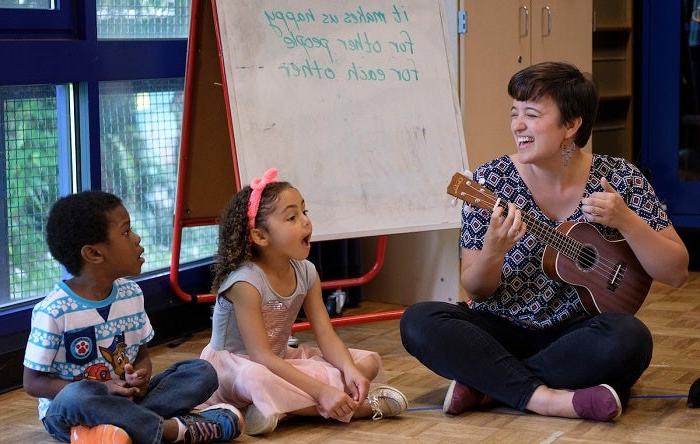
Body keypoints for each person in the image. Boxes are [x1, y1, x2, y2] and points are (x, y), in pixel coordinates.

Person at [400, 62, 690, 422]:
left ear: (571, 125)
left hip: (578, 334)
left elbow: (676, 271)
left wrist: (626, 221)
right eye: (514, 113)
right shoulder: (491, 181)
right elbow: (476, 286)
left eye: (532, 114)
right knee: (418, 320)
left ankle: (489, 383)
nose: (517, 126)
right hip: (501, 328)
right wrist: (493, 249)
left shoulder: (619, 178)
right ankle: (548, 399)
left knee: (631, 338)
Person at [198, 168, 407, 435]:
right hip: (236, 368)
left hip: (280, 359)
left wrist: (349, 370)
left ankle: (276, 410)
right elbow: (259, 356)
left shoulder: (306, 271)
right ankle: (358, 409)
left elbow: (326, 335)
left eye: (304, 213)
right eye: (292, 217)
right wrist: (322, 391)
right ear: (260, 236)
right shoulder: (245, 283)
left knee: (368, 362)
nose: (306, 222)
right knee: (258, 378)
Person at [23, 191, 244, 444]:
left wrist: (138, 377)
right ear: (94, 254)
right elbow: (33, 383)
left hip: (127, 400)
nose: (137, 238)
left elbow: (142, 356)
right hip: (72, 413)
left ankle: (111, 433)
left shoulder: (131, 294)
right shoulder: (53, 311)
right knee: (77, 396)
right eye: (126, 232)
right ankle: (174, 431)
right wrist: (102, 389)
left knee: (201, 372)